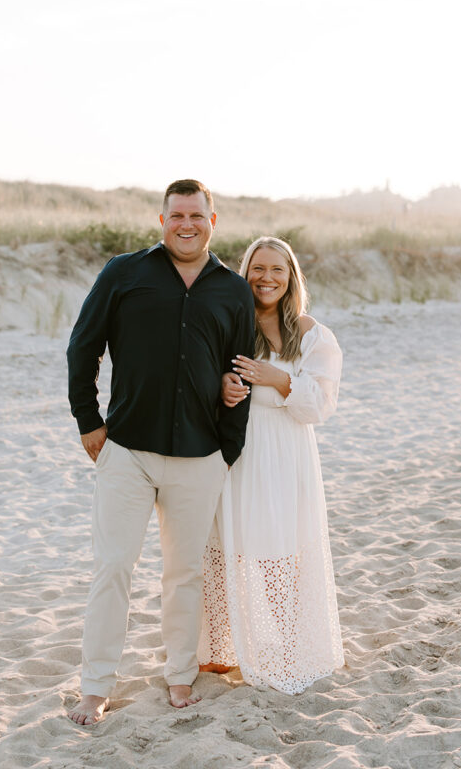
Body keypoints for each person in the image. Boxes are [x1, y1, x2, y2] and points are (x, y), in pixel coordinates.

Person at [66, 179, 255, 725]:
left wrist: (228, 448)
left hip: (200, 457)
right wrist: (88, 423)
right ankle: (95, 686)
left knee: (184, 573)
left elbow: (239, 368)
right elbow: (84, 345)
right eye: (177, 215)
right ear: (162, 219)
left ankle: (179, 675)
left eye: (196, 215)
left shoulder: (232, 290)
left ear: (212, 220)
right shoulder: (124, 272)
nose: (186, 224)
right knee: (113, 569)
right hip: (125, 451)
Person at [198, 236, 344, 694]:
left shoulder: (310, 332)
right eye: (257, 268)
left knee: (281, 547)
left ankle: (283, 647)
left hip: (288, 452)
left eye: (276, 269)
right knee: (226, 548)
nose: (266, 278)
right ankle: (220, 652)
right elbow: (204, 380)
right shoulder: (232, 323)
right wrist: (224, 387)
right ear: (245, 274)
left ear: (291, 276)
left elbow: (319, 407)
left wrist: (280, 379)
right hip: (239, 450)